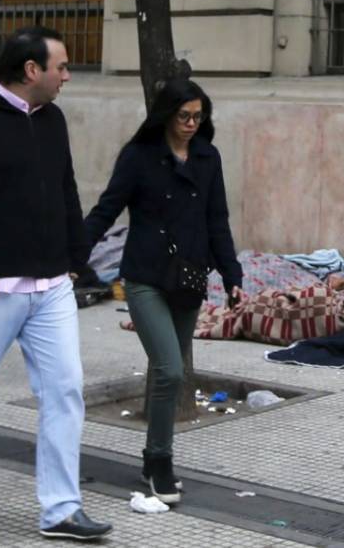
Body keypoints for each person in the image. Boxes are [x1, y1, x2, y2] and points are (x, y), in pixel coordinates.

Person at [0, 27, 112, 540]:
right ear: (32, 70)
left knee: (65, 390)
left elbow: (66, 188)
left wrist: (77, 257)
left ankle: (61, 510)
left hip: (52, 287)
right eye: (61, 66)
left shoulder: (52, 119)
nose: (67, 76)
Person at [84, 78, 244, 504]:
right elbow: (107, 208)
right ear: (166, 115)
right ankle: (160, 462)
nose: (191, 124)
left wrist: (233, 276)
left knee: (164, 372)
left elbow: (217, 220)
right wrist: (74, 254)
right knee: (171, 369)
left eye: (198, 117)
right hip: (145, 277)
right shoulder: (139, 156)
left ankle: (153, 457)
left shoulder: (207, 157)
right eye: (184, 116)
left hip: (188, 279)